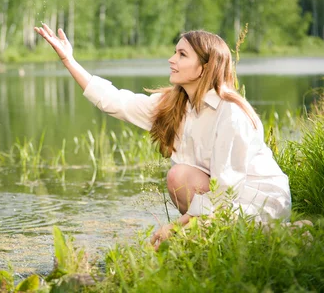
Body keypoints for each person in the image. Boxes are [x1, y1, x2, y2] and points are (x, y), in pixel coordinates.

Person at [34, 24, 292, 249]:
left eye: (181, 54)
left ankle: (268, 231)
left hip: (259, 200)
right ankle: (206, 236)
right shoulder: (176, 104)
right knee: (179, 176)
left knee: (179, 176)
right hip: (222, 200)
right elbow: (116, 101)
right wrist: (69, 60)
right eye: (174, 52)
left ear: (204, 67)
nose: (171, 59)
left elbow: (226, 190)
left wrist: (177, 226)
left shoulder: (231, 114)